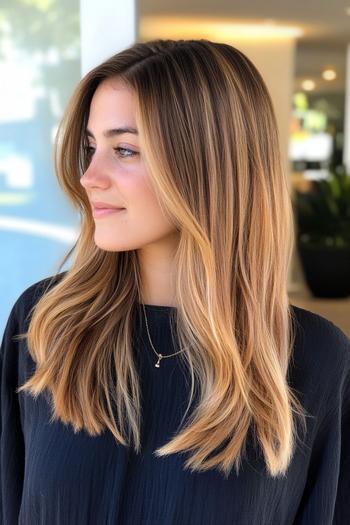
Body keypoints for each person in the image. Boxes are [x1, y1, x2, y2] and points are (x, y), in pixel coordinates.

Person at [1, 39, 349, 525]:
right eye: (90, 147)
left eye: (124, 149)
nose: (90, 176)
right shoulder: (44, 326)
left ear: (208, 164)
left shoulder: (313, 358)